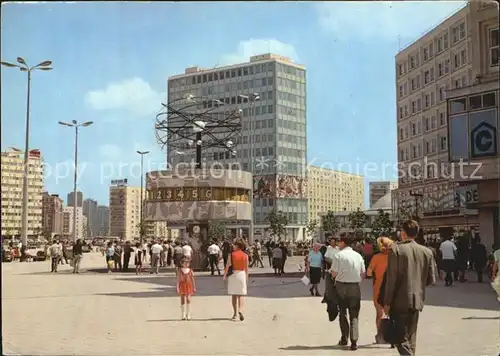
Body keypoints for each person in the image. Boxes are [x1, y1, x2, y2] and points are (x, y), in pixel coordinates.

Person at [383, 220, 436, 356]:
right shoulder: (427, 252)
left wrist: (387, 302)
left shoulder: (396, 250)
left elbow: (391, 279)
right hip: (417, 299)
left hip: (399, 300)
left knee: (400, 337)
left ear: (403, 233)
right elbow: (431, 279)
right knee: (411, 337)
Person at [330, 234, 366, 351]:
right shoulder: (358, 256)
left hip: (341, 286)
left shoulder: (338, 255)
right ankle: (354, 340)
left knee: (343, 313)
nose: (337, 244)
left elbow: (334, 273)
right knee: (354, 314)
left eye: (339, 242)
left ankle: (344, 337)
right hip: (355, 287)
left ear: (343, 243)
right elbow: (363, 274)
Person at [367, 237, 393, 344]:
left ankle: (380, 336)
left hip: (379, 287)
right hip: (392, 288)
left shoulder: (376, 257)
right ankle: (391, 336)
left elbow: (369, 273)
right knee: (392, 313)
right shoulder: (395, 257)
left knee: (379, 313)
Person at [223, 238, 248, 321]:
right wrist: (246, 277)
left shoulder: (231, 255)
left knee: (234, 295)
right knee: (240, 295)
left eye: (234, 244)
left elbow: (227, 265)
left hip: (233, 274)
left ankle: (235, 313)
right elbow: (246, 268)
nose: (232, 245)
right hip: (241, 274)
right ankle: (240, 310)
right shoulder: (245, 255)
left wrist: (224, 275)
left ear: (237, 245)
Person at [177, 256, 196, 320]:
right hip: (182, 285)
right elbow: (178, 279)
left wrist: (194, 287)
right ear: (182, 263)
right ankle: (183, 314)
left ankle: (188, 314)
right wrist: (177, 287)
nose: (186, 264)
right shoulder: (180, 271)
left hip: (188, 285)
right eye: (185, 263)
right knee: (182, 299)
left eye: (187, 263)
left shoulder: (190, 271)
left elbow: (192, 279)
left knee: (188, 299)